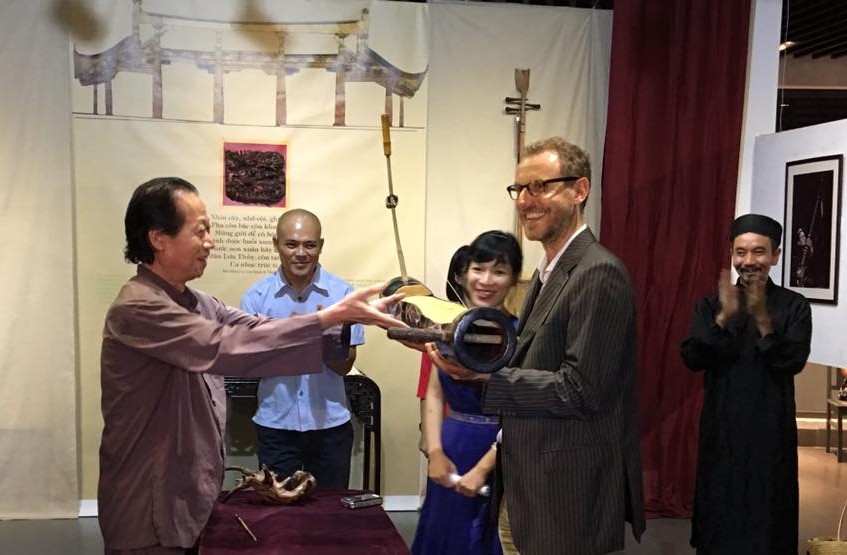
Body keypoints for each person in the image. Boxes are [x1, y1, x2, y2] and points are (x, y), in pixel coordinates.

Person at [98, 177, 403, 555]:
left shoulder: (198, 302)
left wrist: (347, 320)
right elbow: (228, 345)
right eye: (200, 231)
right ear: (159, 239)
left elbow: (258, 328)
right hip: (150, 504)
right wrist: (326, 319)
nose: (210, 242)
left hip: (189, 498)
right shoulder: (139, 307)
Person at [429, 137, 645, 555]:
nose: (526, 200)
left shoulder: (597, 272)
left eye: (540, 186)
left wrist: (484, 377)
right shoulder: (551, 271)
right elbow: (532, 365)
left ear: (579, 190)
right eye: (519, 189)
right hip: (529, 482)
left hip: (565, 489)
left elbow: (581, 389)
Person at [680, 213, 812, 555]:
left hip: (770, 432)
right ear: (732, 254)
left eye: (759, 251)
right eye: (741, 252)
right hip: (721, 428)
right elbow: (692, 357)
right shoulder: (712, 304)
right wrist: (724, 319)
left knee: (768, 514)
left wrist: (763, 321)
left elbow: (792, 361)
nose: (749, 261)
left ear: (776, 255)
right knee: (719, 511)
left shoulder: (794, 306)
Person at [412, 230, 521, 555]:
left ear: (513, 279)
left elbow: (521, 411)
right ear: (464, 273)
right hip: (452, 444)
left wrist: (484, 469)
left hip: (503, 452)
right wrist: (435, 451)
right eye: (478, 269)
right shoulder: (447, 329)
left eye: (499, 271)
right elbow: (434, 393)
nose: (486, 280)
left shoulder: (520, 335)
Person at [240, 209, 362, 489]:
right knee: (280, 508)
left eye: (309, 245)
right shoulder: (257, 298)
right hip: (276, 425)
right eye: (291, 244)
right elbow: (251, 365)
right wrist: (313, 339)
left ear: (321, 245)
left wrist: (301, 341)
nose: (301, 253)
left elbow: (345, 365)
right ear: (276, 244)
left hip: (330, 425)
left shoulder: (342, 295)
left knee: (329, 508)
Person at [416, 244, 469, 454]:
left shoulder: (498, 322)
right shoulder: (441, 321)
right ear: (457, 277)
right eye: (475, 270)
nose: (484, 279)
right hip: (447, 424)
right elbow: (426, 382)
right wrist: (426, 433)